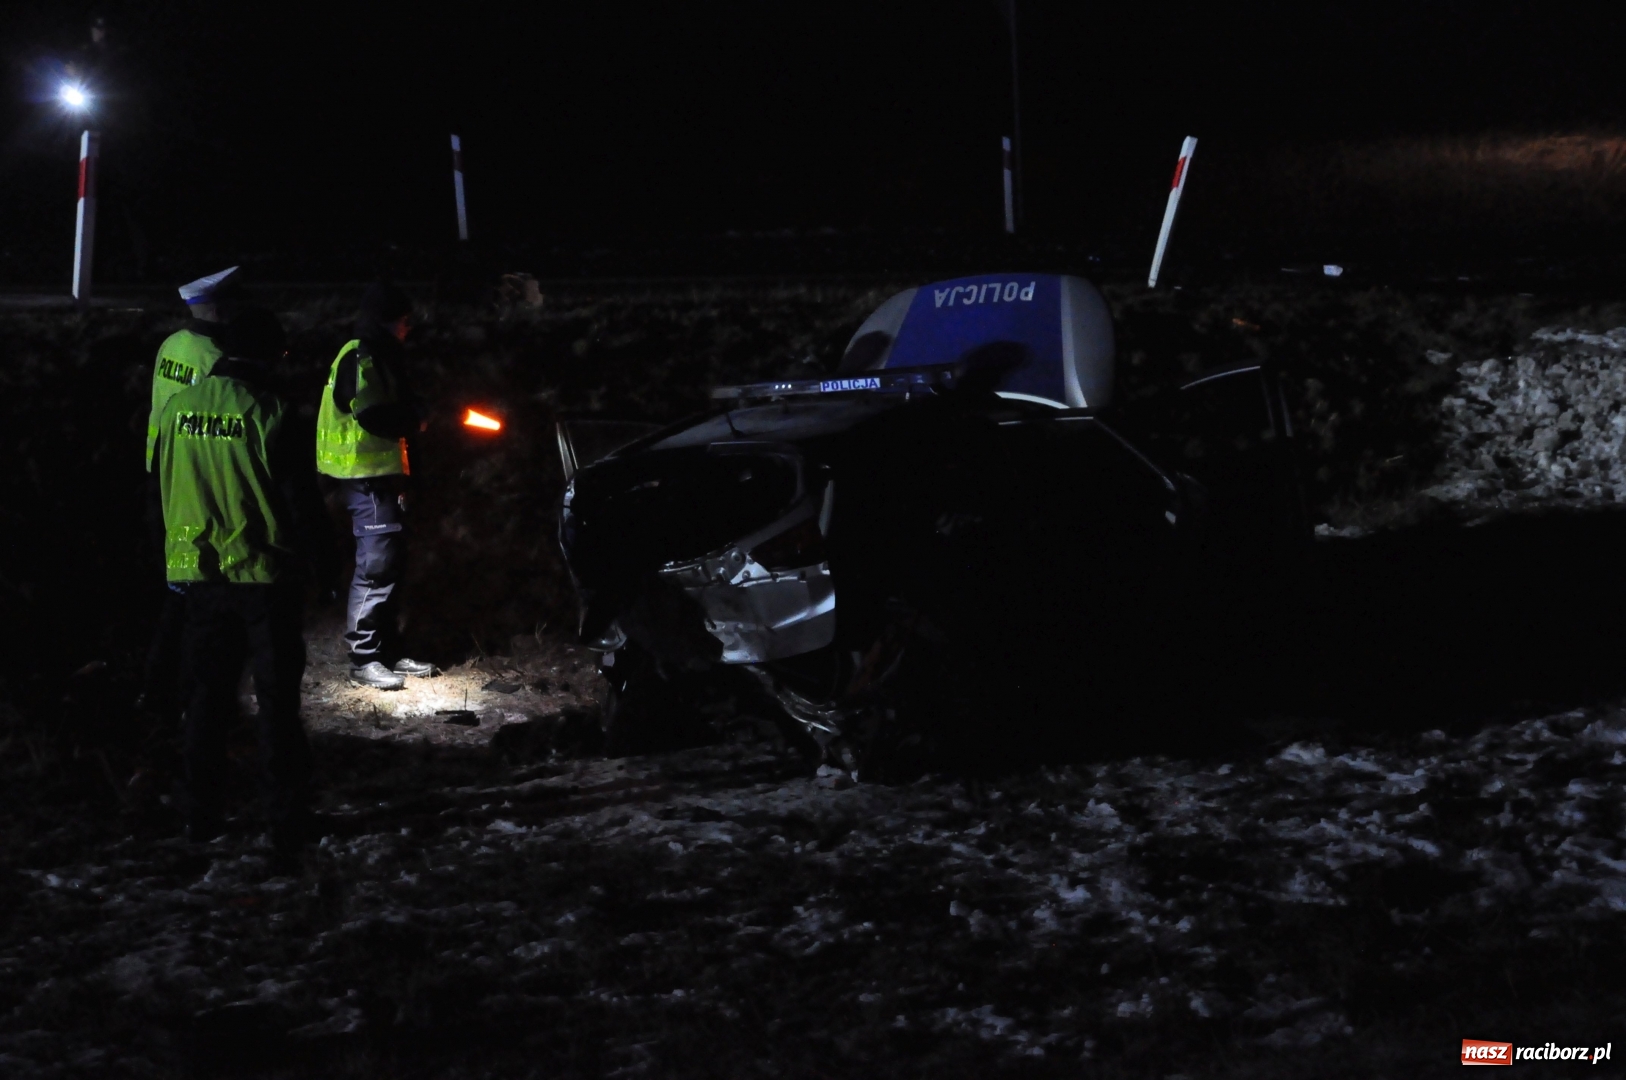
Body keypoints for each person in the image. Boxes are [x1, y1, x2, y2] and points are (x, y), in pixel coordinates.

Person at [154, 307, 335, 849]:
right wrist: (327, 568)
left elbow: (158, 488)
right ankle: (285, 819)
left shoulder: (178, 410)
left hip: (200, 577)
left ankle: (200, 816)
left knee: (206, 700)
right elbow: (300, 504)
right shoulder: (271, 411)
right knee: (278, 704)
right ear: (272, 355)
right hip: (264, 577)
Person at [315, 282, 435, 690]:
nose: (408, 329)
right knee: (376, 567)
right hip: (364, 478)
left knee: (390, 564)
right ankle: (365, 658)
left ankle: (387, 651)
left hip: (378, 477)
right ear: (391, 321)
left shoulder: (375, 352)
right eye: (404, 321)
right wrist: (414, 419)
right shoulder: (364, 354)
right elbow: (372, 415)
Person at [137, 267, 242, 721]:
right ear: (219, 308)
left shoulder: (171, 346)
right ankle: (185, 699)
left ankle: (157, 694)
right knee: (197, 599)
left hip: (161, 476)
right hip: (196, 485)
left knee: (178, 592)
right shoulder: (215, 356)